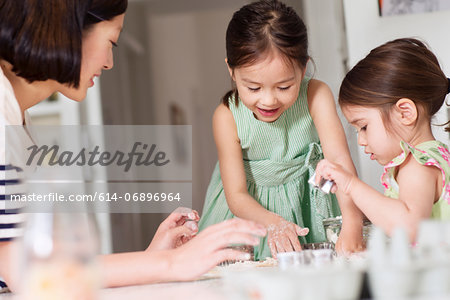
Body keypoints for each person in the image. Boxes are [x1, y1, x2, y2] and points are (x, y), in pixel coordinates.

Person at [0, 0, 266, 292]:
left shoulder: (18, 121)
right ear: (69, 29)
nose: (108, 62)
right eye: (111, 42)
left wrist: (153, 258)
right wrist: (173, 264)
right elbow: (21, 266)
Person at [198, 0, 364, 260]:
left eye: (284, 87)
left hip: (310, 206)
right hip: (253, 215)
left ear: (304, 68)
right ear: (231, 69)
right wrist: (273, 222)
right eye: (253, 88)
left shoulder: (316, 95)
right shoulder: (227, 116)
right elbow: (236, 195)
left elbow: (340, 163)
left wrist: (352, 223)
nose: (268, 100)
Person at [315, 38, 450, 242]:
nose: (361, 140)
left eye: (364, 127)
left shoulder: (418, 165)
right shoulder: (435, 154)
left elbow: (409, 229)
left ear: (405, 113)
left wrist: (351, 185)